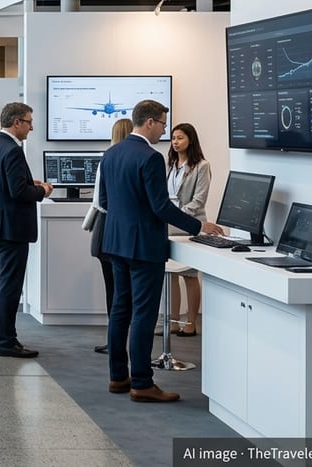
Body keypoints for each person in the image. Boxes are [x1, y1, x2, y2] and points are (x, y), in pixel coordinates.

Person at [100, 100, 223, 402]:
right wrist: (199, 225)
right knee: (143, 314)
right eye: (164, 124)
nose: (166, 131)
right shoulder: (150, 158)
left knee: (120, 310)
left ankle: (118, 377)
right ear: (151, 122)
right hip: (144, 248)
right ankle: (142, 382)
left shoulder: (112, 153)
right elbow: (160, 206)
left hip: (116, 243)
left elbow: (104, 199)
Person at [0, 102, 52, 358]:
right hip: (12, 228)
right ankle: (7, 341)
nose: (32, 127)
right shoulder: (12, 150)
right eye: (29, 121)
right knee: (9, 284)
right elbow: (18, 192)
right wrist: (42, 190)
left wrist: (30, 183)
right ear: (17, 122)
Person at [91, 118, 134, 354]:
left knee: (114, 289)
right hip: (120, 232)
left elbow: (99, 201)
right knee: (123, 291)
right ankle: (120, 342)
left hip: (106, 230)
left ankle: (115, 341)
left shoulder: (107, 159)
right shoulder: (135, 160)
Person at [166, 122, 211, 338]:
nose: (175, 142)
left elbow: (199, 200)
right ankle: (173, 322)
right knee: (171, 275)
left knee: (190, 275)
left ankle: (191, 322)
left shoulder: (201, 166)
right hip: (169, 225)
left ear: (190, 140)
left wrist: (179, 216)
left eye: (180, 137)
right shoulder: (171, 165)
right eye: (174, 138)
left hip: (189, 224)